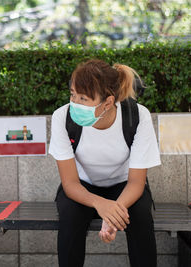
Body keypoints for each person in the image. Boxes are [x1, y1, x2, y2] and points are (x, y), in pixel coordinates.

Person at [49, 59, 161, 267]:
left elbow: (137, 182)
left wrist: (113, 213)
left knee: (139, 216)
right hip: (81, 187)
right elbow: (70, 183)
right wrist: (101, 204)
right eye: (73, 94)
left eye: (83, 98)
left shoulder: (137, 116)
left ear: (108, 102)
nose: (75, 104)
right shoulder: (62, 117)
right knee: (71, 217)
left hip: (125, 187)